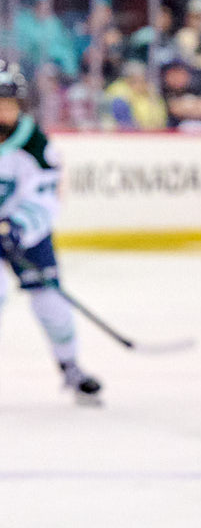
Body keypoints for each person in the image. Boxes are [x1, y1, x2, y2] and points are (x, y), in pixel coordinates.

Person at [0, 62, 100, 404]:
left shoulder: (35, 143)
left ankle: (70, 366)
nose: (6, 111)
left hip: (25, 234)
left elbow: (45, 196)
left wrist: (18, 228)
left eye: (11, 103)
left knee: (51, 301)